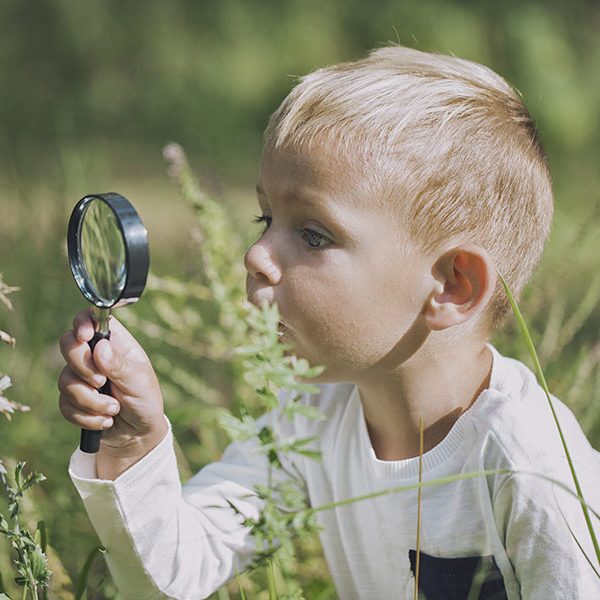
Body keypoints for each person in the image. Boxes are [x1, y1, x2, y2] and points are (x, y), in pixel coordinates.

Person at [58, 45, 600, 599]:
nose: (254, 255)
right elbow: (169, 577)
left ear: (452, 285)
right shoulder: (311, 423)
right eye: (266, 218)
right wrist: (131, 446)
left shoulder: (528, 465)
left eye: (313, 234)